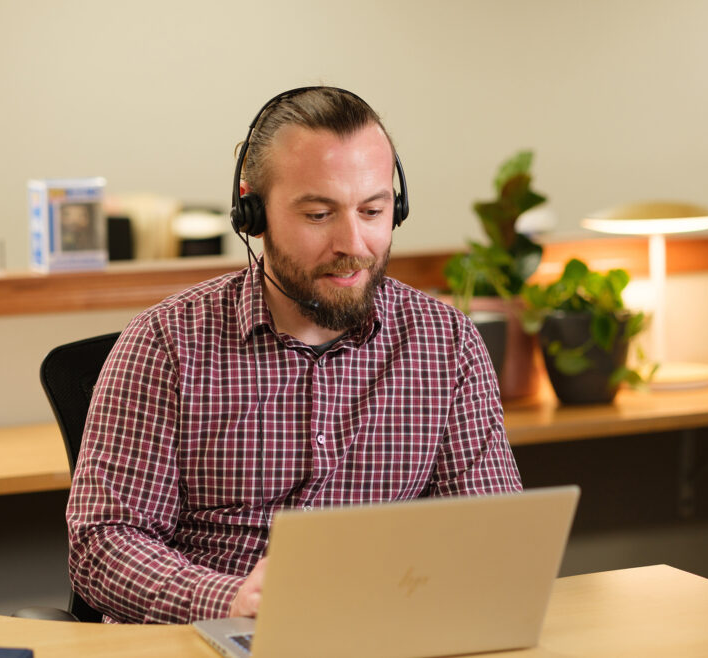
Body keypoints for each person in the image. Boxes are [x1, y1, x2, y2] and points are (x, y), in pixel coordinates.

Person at [65, 86, 522, 625]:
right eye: (319, 214)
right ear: (252, 212)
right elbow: (103, 543)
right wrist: (227, 600)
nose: (353, 243)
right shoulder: (166, 343)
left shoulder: (446, 343)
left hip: (376, 633)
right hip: (209, 637)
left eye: (373, 210)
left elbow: (493, 535)